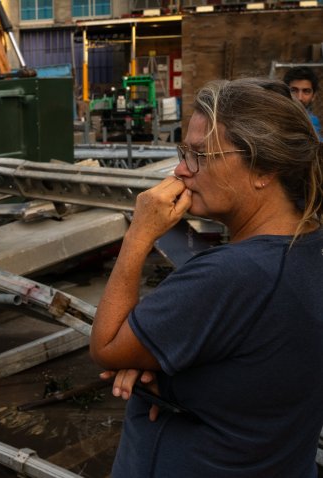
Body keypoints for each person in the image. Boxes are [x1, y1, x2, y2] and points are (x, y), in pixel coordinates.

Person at [90, 77, 323, 477]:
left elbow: (109, 345)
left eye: (201, 154)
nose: (181, 170)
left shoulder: (232, 274)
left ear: (263, 168)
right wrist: (162, 360)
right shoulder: (307, 249)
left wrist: (139, 234)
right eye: (184, 152)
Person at [284, 66, 322, 140]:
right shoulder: (274, 118)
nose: (299, 98)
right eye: (294, 90)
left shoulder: (313, 122)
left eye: (306, 91)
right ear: (285, 92)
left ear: (313, 96)